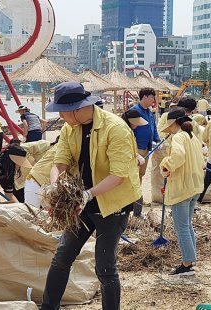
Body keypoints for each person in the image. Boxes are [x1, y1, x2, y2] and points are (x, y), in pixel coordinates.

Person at [42, 81, 141, 310]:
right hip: (80, 203)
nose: (60, 116)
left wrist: (88, 194)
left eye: (62, 112)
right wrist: (56, 189)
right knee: (61, 257)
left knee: (105, 266)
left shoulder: (115, 128)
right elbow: (60, 163)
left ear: (76, 109)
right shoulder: (69, 129)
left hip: (113, 203)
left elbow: (119, 175)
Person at [159, 109, 205, 276]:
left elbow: (178, 156)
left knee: (182, 227)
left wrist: (166, 164)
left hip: (182, 187)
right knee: (188, 224)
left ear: (174, 124)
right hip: (195, 185)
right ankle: (190, 260)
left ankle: (186, 264)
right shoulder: (192, 136)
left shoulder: (178, 136)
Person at [130, 87, 161, 217]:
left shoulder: (149, 112)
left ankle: (136, 204)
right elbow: (129, 130)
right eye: (152, 97)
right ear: (145, 97)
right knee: (133, 176)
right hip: (137, 148)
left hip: (147, 147)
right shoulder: (134, 111)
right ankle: (132, 206)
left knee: (140, 175)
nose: (154, 100)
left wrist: (157, 140)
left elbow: (153, 127)